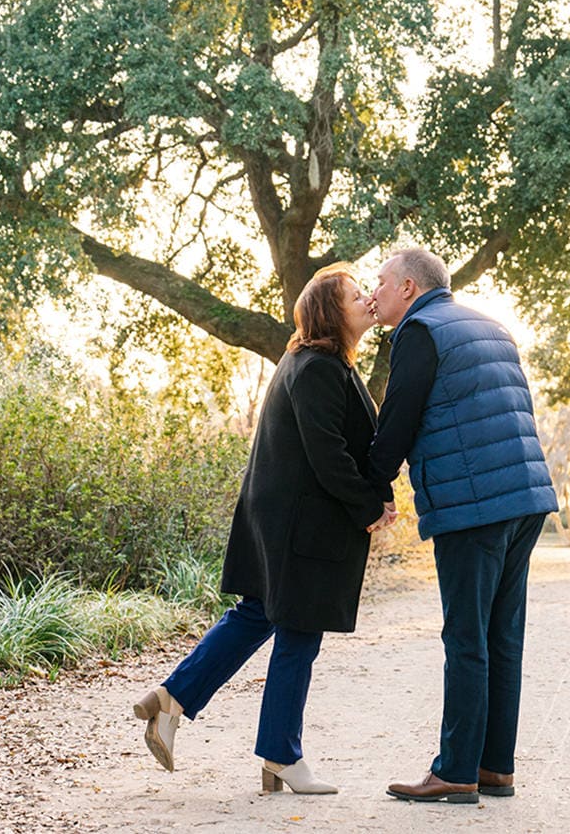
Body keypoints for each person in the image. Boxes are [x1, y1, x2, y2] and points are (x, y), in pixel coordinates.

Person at [132, 265, 395, 794]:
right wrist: (370, 503)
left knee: (257, 615)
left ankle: (171, 698)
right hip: (302, 526)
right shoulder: (318, 366)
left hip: (282, 520)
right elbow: (329, 453)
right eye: (354, 294)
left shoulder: (312, 362)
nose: (367, 297)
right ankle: (281, 756)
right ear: (328, 311)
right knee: (298, 630)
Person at [368, 248, 558, 804]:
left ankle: (455, 770)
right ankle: (495, 766)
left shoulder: (420, 330)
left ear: (407, 286)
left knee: (466, 636)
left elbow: (397, 420)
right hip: (524, 497)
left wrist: (370, 488)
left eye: (379, 282)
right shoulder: (492, 328)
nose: (372, 293)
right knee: (503, 635)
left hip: (474, 505)